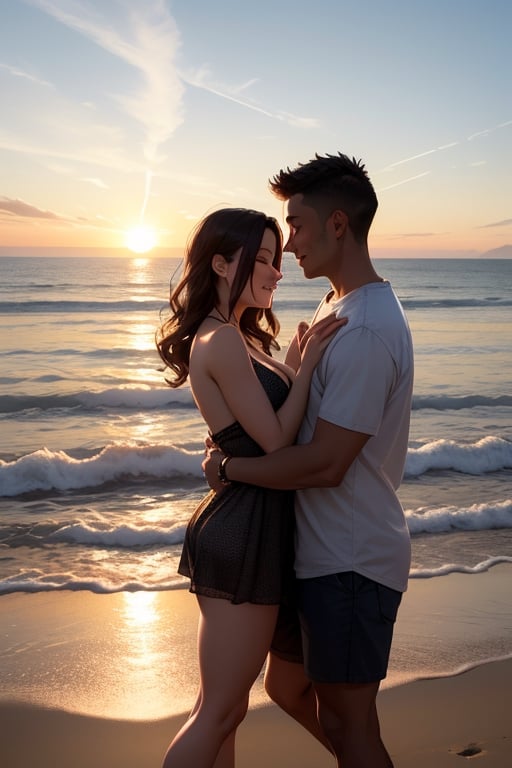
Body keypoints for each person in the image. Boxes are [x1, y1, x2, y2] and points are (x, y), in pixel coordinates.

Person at [203, 153, 414, 768]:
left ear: (338, 225)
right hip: (314, 552)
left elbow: (324, 464)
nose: (287, 242)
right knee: (287, 688)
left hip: (350, 559)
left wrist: (228, 470)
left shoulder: (368, 329)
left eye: (294, 225)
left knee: (350, 726)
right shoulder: (336, 306)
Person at [155, 206, 345, 768]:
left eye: (274, 257)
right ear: (219, 262)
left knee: (225, 709)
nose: (276, 269)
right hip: (243, 532)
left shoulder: (237, 337)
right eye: (261, 259)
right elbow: (277, 444)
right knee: (218, 712)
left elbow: (255, 424)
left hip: (250, 524)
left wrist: (290, 363)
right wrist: (307, 369)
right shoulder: (222, 341)